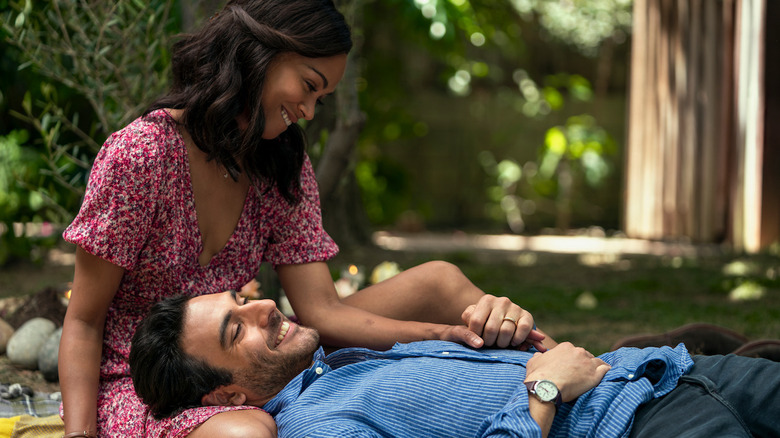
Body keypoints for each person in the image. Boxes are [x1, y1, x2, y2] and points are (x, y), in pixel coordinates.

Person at [58, 1, 549, 437]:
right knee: (247, 432)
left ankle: (574, 366)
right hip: (146, 384)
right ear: (259, 53)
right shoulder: (140, 156)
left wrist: (439, 331)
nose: (310, 111)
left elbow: (321, 312)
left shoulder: (279, 162)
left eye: (322, 98)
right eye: (309, 87)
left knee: (440, 281)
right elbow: (82, 321)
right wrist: (81, 435)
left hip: (250, 354)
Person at [129, 292, 780, 438]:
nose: (264, 304)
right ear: (230, 393)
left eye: (244, 298)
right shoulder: (316, 427)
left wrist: (497, 326)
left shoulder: (340, 361)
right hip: (638, 428)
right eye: (235, 326)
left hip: (660, 371)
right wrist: (548, 385)